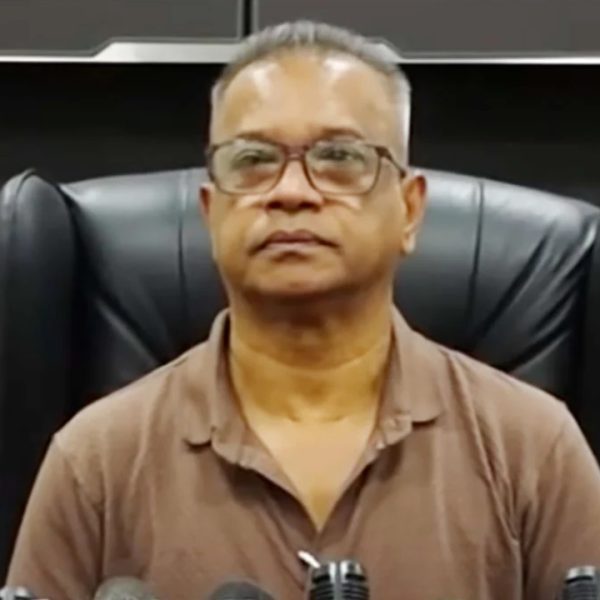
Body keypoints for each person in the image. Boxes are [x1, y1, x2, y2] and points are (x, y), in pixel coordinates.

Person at [7, 20, 600, 600]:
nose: (291, 191)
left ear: (410, 210)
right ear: (211, 214)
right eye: (253, 159)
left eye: (339, 155)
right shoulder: (96, 461)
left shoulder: (532, 448)